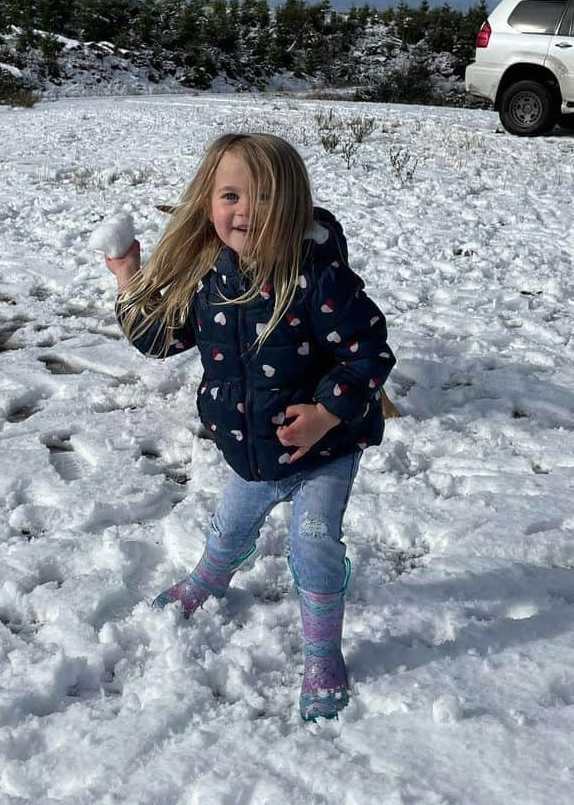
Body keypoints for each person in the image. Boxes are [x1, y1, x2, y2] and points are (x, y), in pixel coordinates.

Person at [104, 132, 395, 720]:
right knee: (229, 527)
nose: (245, 212)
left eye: (263, 197)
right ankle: (207, 581)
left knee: (312, 544)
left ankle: (322, 652)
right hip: (251, 449)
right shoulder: (212, 279)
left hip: (325, 449)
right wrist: (129, 281)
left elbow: (369, 354)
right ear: (208, 204)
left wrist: (327, 414)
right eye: (231, 195)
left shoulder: (318, 280)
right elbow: (160, 339)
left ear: (292, 204)